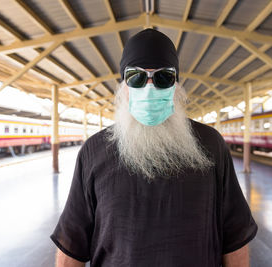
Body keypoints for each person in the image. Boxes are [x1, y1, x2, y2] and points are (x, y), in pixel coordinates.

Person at [50, 28, 258, 267]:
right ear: (123, 87)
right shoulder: (94, 150)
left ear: (176, 86)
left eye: (163, 78)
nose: (150, 88)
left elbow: (235, 236)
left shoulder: (210, 144)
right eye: (137, 77)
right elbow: (72, 242)